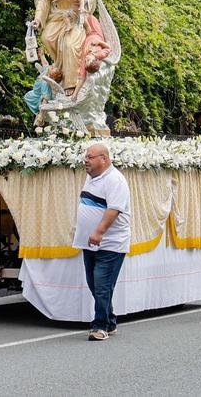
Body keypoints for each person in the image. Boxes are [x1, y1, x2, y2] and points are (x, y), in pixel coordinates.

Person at [69, 142, 131, 341]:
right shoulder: (91, 178)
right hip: (90, 243)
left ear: (104, 159)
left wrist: (99, 231)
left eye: (90, 157)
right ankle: (110, 320)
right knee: (94, 283)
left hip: (111, 243)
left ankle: (100, 326)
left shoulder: (115, 180)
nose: (85, 160)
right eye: (86, 157)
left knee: (102, 284)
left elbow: (114, 209)